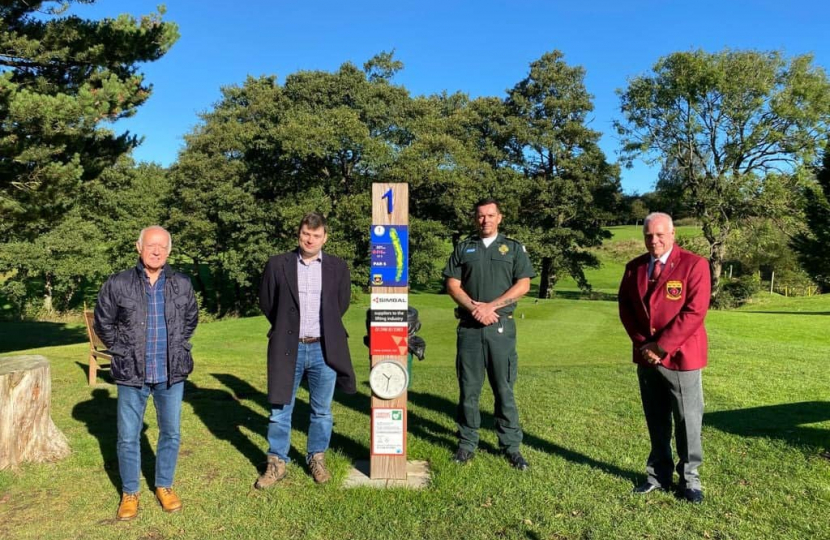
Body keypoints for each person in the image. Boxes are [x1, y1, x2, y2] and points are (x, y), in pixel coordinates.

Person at [94, 226, 198, 521]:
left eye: (162, 247)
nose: (156, 251)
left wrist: (179, 345)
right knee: (128, 436)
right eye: (151, 245)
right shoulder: (118, 283)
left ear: (169, 251)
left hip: (171, 373)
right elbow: (103, 323)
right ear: (138, 247)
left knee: (171, 433)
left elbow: (190, 319)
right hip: (132, 372)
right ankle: (130, 492)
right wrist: (122, 350)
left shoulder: (181, 283)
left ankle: (164, 485)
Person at [255, 212, 356, 488]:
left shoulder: (337, 267)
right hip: (287, 348)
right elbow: (267, 302)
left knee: (322, 411)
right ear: (298, 234)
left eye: (316, 235)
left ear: (325, 237)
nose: (310, 239)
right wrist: (285, 328)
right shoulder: (278, 265)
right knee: (280, 410)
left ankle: (316, 458)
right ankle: (276, 463)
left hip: (324, 349)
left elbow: (341, 304)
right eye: (305, 234)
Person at [617, 212, 711, 504]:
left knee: (687, 421)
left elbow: (694, 312)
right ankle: (658, 475)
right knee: (656, 419)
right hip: (647, 358)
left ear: (672, 235)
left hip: (681, 358)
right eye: (648, 235)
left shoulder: (694, 265)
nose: (654, 240)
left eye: (659, 235)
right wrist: (645, 345)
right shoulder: (634, 268)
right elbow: (626, 309)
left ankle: (690, 480)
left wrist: (662, 346)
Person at [443, 198, 535, 470]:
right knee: (468, 389)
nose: (485, 220)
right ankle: (467, 443)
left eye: (490, 215)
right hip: (470, 328)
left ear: (500, 217)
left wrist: (491, 307)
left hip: (500, 327)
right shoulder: (463, 248)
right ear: (475, 218)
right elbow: (452, 285)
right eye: (481, 216)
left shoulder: (513, 249)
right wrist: (475, 308)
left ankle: (511, 446)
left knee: (503, 388)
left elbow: (524, 284)